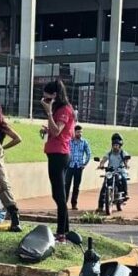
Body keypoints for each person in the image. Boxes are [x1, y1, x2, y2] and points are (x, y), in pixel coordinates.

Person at [40, 79, 76, 242]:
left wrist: (48, 112)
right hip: (57, 153)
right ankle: (65, 230)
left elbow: (57, 131)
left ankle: (61, 233)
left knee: (59, 196)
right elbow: (67, 133)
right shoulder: (62, 109)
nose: (45, 100)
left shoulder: (64, 110)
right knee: (58, 194)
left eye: (47, 97)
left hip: (59, 155)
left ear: (55, 95)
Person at [98, 133, 131, 211]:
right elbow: (104, 159)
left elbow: (126, 160)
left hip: (120, 171)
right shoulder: (109, 153)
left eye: (117, 145)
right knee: (104, 186)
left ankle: (125, 194)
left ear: (120, 145)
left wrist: (126, 164)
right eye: (114, 145)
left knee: (123, 179)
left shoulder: (123, 153)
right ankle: (100, 206)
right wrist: (101, 165)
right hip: (111, 171)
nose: (115, 146)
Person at [65, 124, 91, 210]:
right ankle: (64, 203)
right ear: (74, 132)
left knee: (76, 186)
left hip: (79, 167)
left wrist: (84, 164)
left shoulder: (84, 142)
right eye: (78, 132)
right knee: (66, 185)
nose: (80, 133)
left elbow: (88, 153)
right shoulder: (69, 141)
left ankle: (74, 204)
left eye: (81, 132)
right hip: (70, 166)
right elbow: (65, 151)